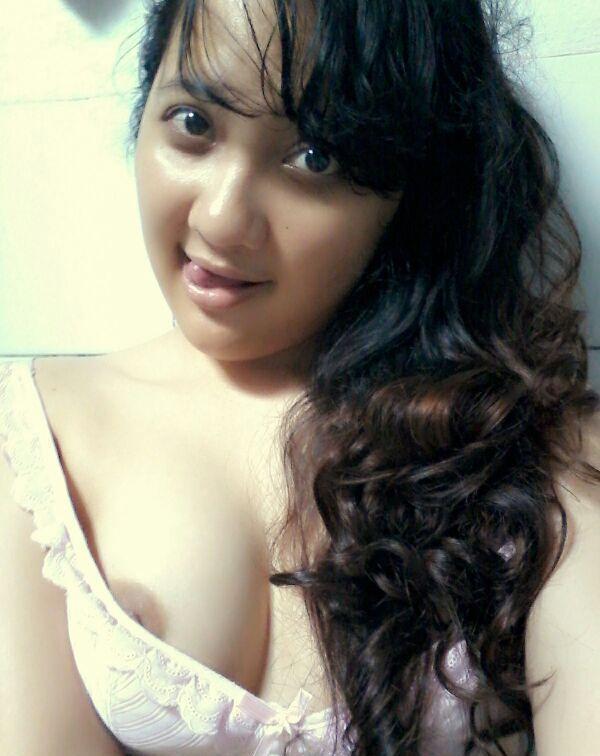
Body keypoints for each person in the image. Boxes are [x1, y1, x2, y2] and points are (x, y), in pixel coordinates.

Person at [1, 0, 600, 754]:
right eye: (192, 123)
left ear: (410, 186)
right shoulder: (38, 436)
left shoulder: (542, 451)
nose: (221, 220)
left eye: (315, 157)